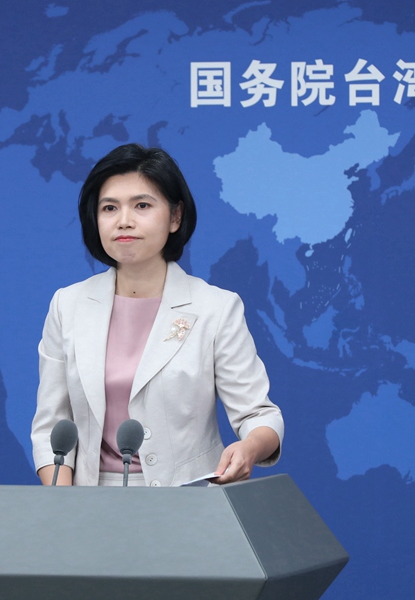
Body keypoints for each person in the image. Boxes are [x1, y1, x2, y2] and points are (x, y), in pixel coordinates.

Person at [31, 143, 283, 487]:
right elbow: (51, 425)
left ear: (175, 217)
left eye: (142, 205)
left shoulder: (215, 308)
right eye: (109, 208)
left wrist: (250, 448)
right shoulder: (68, 305)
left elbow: (259, 414)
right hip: (89, 503)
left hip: (188, 502)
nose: (124, 221)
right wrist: (64, 507)